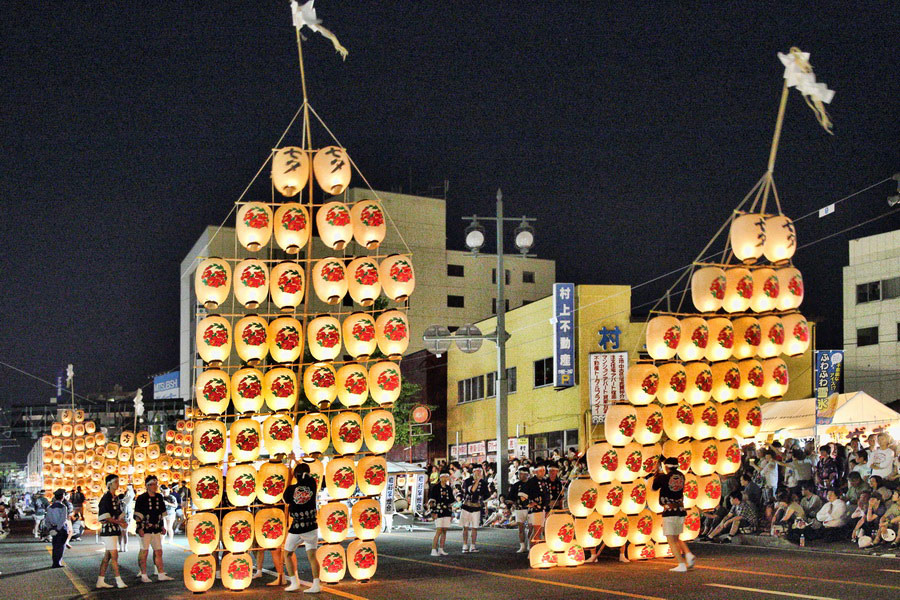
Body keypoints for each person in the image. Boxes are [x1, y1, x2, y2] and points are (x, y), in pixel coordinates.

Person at [283, 462, 322, 594]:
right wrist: (297, 462)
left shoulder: (291, 489)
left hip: (297, 527)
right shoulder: (312, 484)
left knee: (287, 553)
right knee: (312, 556)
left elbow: (286, 498)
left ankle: (294, 582)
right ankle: (316, 584)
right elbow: (306, 474)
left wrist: (289, 476)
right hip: (311, 525)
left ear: (296, 475)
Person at [652, 457, 695, 573]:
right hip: (681, 510)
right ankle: (688, 554)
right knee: (676, 537)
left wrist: (656, 474)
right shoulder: (682, 476)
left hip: (669, 511)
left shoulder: (663, 478)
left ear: (666, 467)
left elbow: (654, 487)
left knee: (671, 539)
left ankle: (681, 564)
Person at [133, 475, 174, 583]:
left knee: (159, 551)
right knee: (144, 551)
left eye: (156, 484)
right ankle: (144, 574)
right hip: (145, 529)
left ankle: (161, 573)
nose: (155, 486)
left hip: (156, 529)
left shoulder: (159, 497)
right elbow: (138, 515)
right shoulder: (141, 498)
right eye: (153, 484)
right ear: (147, 486)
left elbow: (161, 513)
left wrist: (162, 526)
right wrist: (139, 527)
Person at [97, 474, 128, 589]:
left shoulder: (115, 498)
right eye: (115, 482)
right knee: (114, 555)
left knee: (107, 557)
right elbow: (105, 517)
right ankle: (118, 580)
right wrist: (120, 523)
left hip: (113, 530)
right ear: (109, 484)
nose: (117, 484)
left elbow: (118, 514)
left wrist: (123, 521)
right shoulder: (106, 498)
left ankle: (100, 580)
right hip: (108, 531)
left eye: (118, 481)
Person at [459, 466, 492, 553]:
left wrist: (486, 507)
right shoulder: (467, 481)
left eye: (480, 472)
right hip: (466, 506)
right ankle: (465, 545)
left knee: (475, 527)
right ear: (473, 472)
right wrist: (477, 480)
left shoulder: (484, 483)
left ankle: (473, 546)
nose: (478, 473)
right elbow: (471, 491)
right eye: (476, 471)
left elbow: (486, 496)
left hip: (477, 506)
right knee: (465, 526)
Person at [428, 471, 454, 556]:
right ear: (441, 478)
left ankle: (441, 549)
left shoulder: (449, 488)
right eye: (444, 477)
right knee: (438, 530)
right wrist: (433, 512)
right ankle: (433, 549)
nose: (446, 478)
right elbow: (431, 501)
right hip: (438, 510)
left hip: (446, 510)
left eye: (447, 477)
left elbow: (451, 501)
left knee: (444, 530)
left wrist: (451, 513)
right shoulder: (435, 487)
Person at [524, 464, 551, 545]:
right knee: (537, 531)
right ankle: (532, 550)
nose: (543, 472)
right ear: (535, 472)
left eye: (544, 470)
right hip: (535, 509)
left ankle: (534, 549)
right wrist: (529, 504)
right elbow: (523, 495)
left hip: (543, 508)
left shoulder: (544, 481)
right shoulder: (531, 482)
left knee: (540, 530)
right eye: (540, 470)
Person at [45, 489, 70, 568]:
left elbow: (47, 520)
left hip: (53, 528)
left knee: (55, 546)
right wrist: (58, 529)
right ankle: (58, 562)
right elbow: (63, 519)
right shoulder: (63, 507)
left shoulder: (50, 507)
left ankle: (54, 562)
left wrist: (50, 529)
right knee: (61, 546)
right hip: (61, 529)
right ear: (62, 497)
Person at [508, 467, 531, 552]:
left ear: (527, 474)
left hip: (530, 509)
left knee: (531, 528)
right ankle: (522, 545)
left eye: (521, 474)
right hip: (519, 508)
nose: (519, 475)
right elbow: (510, 497)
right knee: (521, 528)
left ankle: (530, 544)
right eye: (519, 474)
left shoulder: (532, 484)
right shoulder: (516, 485)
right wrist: (510, 505)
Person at [119, 483, 135, 552]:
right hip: (121, 519)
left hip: (126, 518)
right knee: (121, 533)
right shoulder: (120, 503)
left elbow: (132, 495)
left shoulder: (128, 502)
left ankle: (124, 547)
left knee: (124, 533)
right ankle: (121, 547)